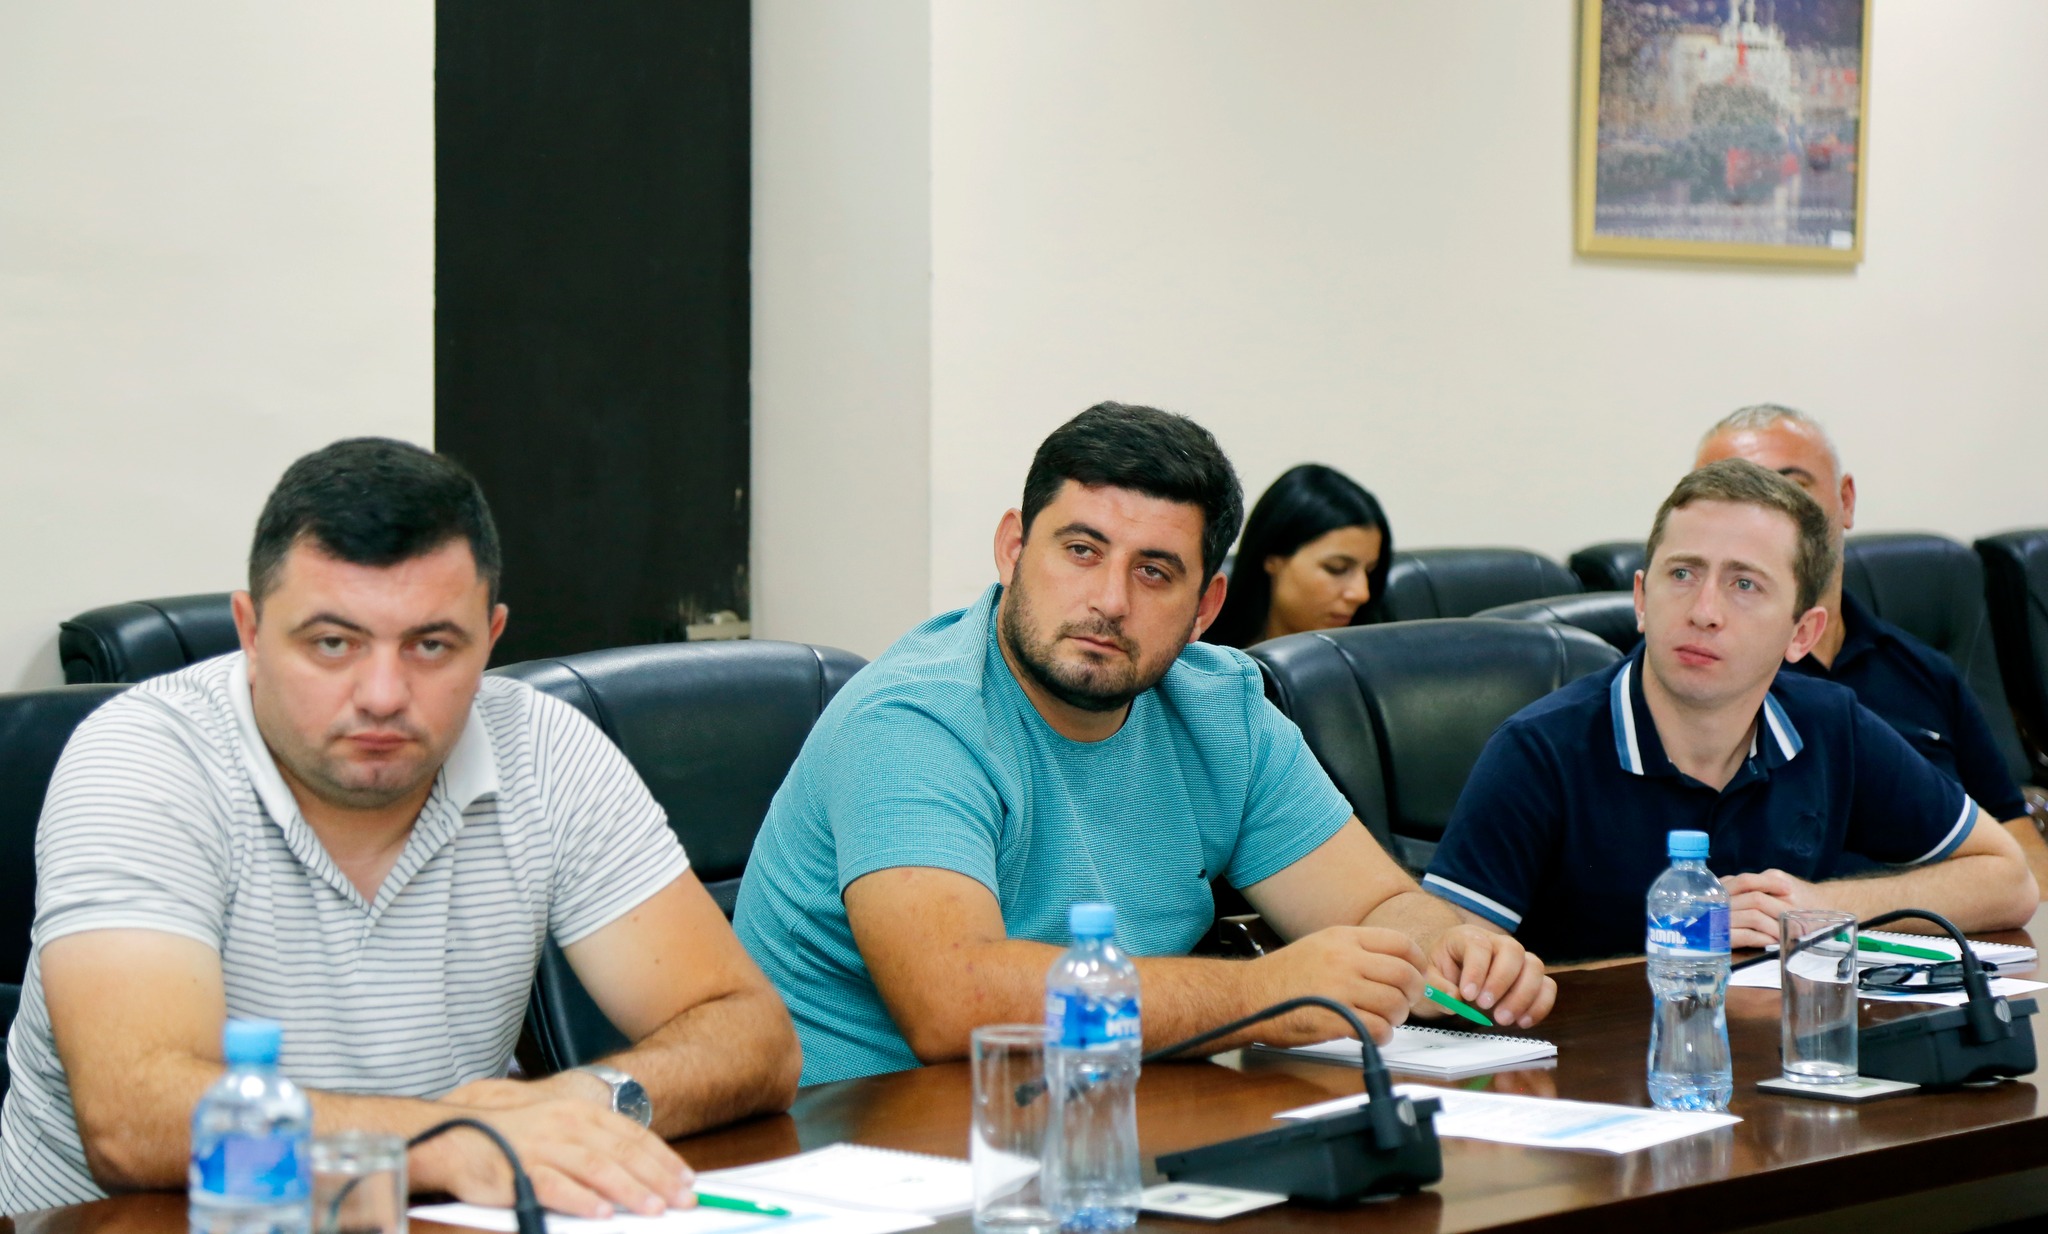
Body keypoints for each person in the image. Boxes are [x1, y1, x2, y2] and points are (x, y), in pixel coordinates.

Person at [0, 439, 801, 1217]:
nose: (382, 694)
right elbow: (134, 1118)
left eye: (431, 645)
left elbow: (754, 1035)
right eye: (333, 643)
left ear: (489, 640)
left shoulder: (544, 748)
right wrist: (454, 1139)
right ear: (251, 633)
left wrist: (588, 1099)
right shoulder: (146, 758)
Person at [734, 402, 1553, 1087]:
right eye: (1081, 551)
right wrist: (1261, 994)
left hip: (1093, 1118)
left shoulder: (1222, 707)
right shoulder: (916, 717)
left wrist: (1448, 945)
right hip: (863, 1148)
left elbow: (1373, 906)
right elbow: (954, 1002)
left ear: (1206, 606)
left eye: (1155, 571)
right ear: (1014, 549)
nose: (1109, 600)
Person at [1421, 459, 2036, 962]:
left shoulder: (1830, 723)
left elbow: (2010, 880)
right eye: (1682, 574)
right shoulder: (1539, 750)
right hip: (1599, 1060)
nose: (1704, 611)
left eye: (1745, 584)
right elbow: (1442, 960)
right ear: (1641, 599)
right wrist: (1684, 932)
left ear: (1802, 633)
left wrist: (1817, 908)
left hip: (1779, 1053)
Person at [1694, 403, 2048, 892]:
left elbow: (2016, 839)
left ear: (1845, 500)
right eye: (1736, 498)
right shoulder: (1696, 684)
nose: (1766, 519)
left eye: (1792, 489)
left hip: (1951, 930)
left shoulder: (1924, 670)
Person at [1205, 463, 1392, 648]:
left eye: (1369, 571)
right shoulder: (1203, 655)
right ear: (1272, 556)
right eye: (1337, 568)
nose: (1361, 593)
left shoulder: (1381, 653)